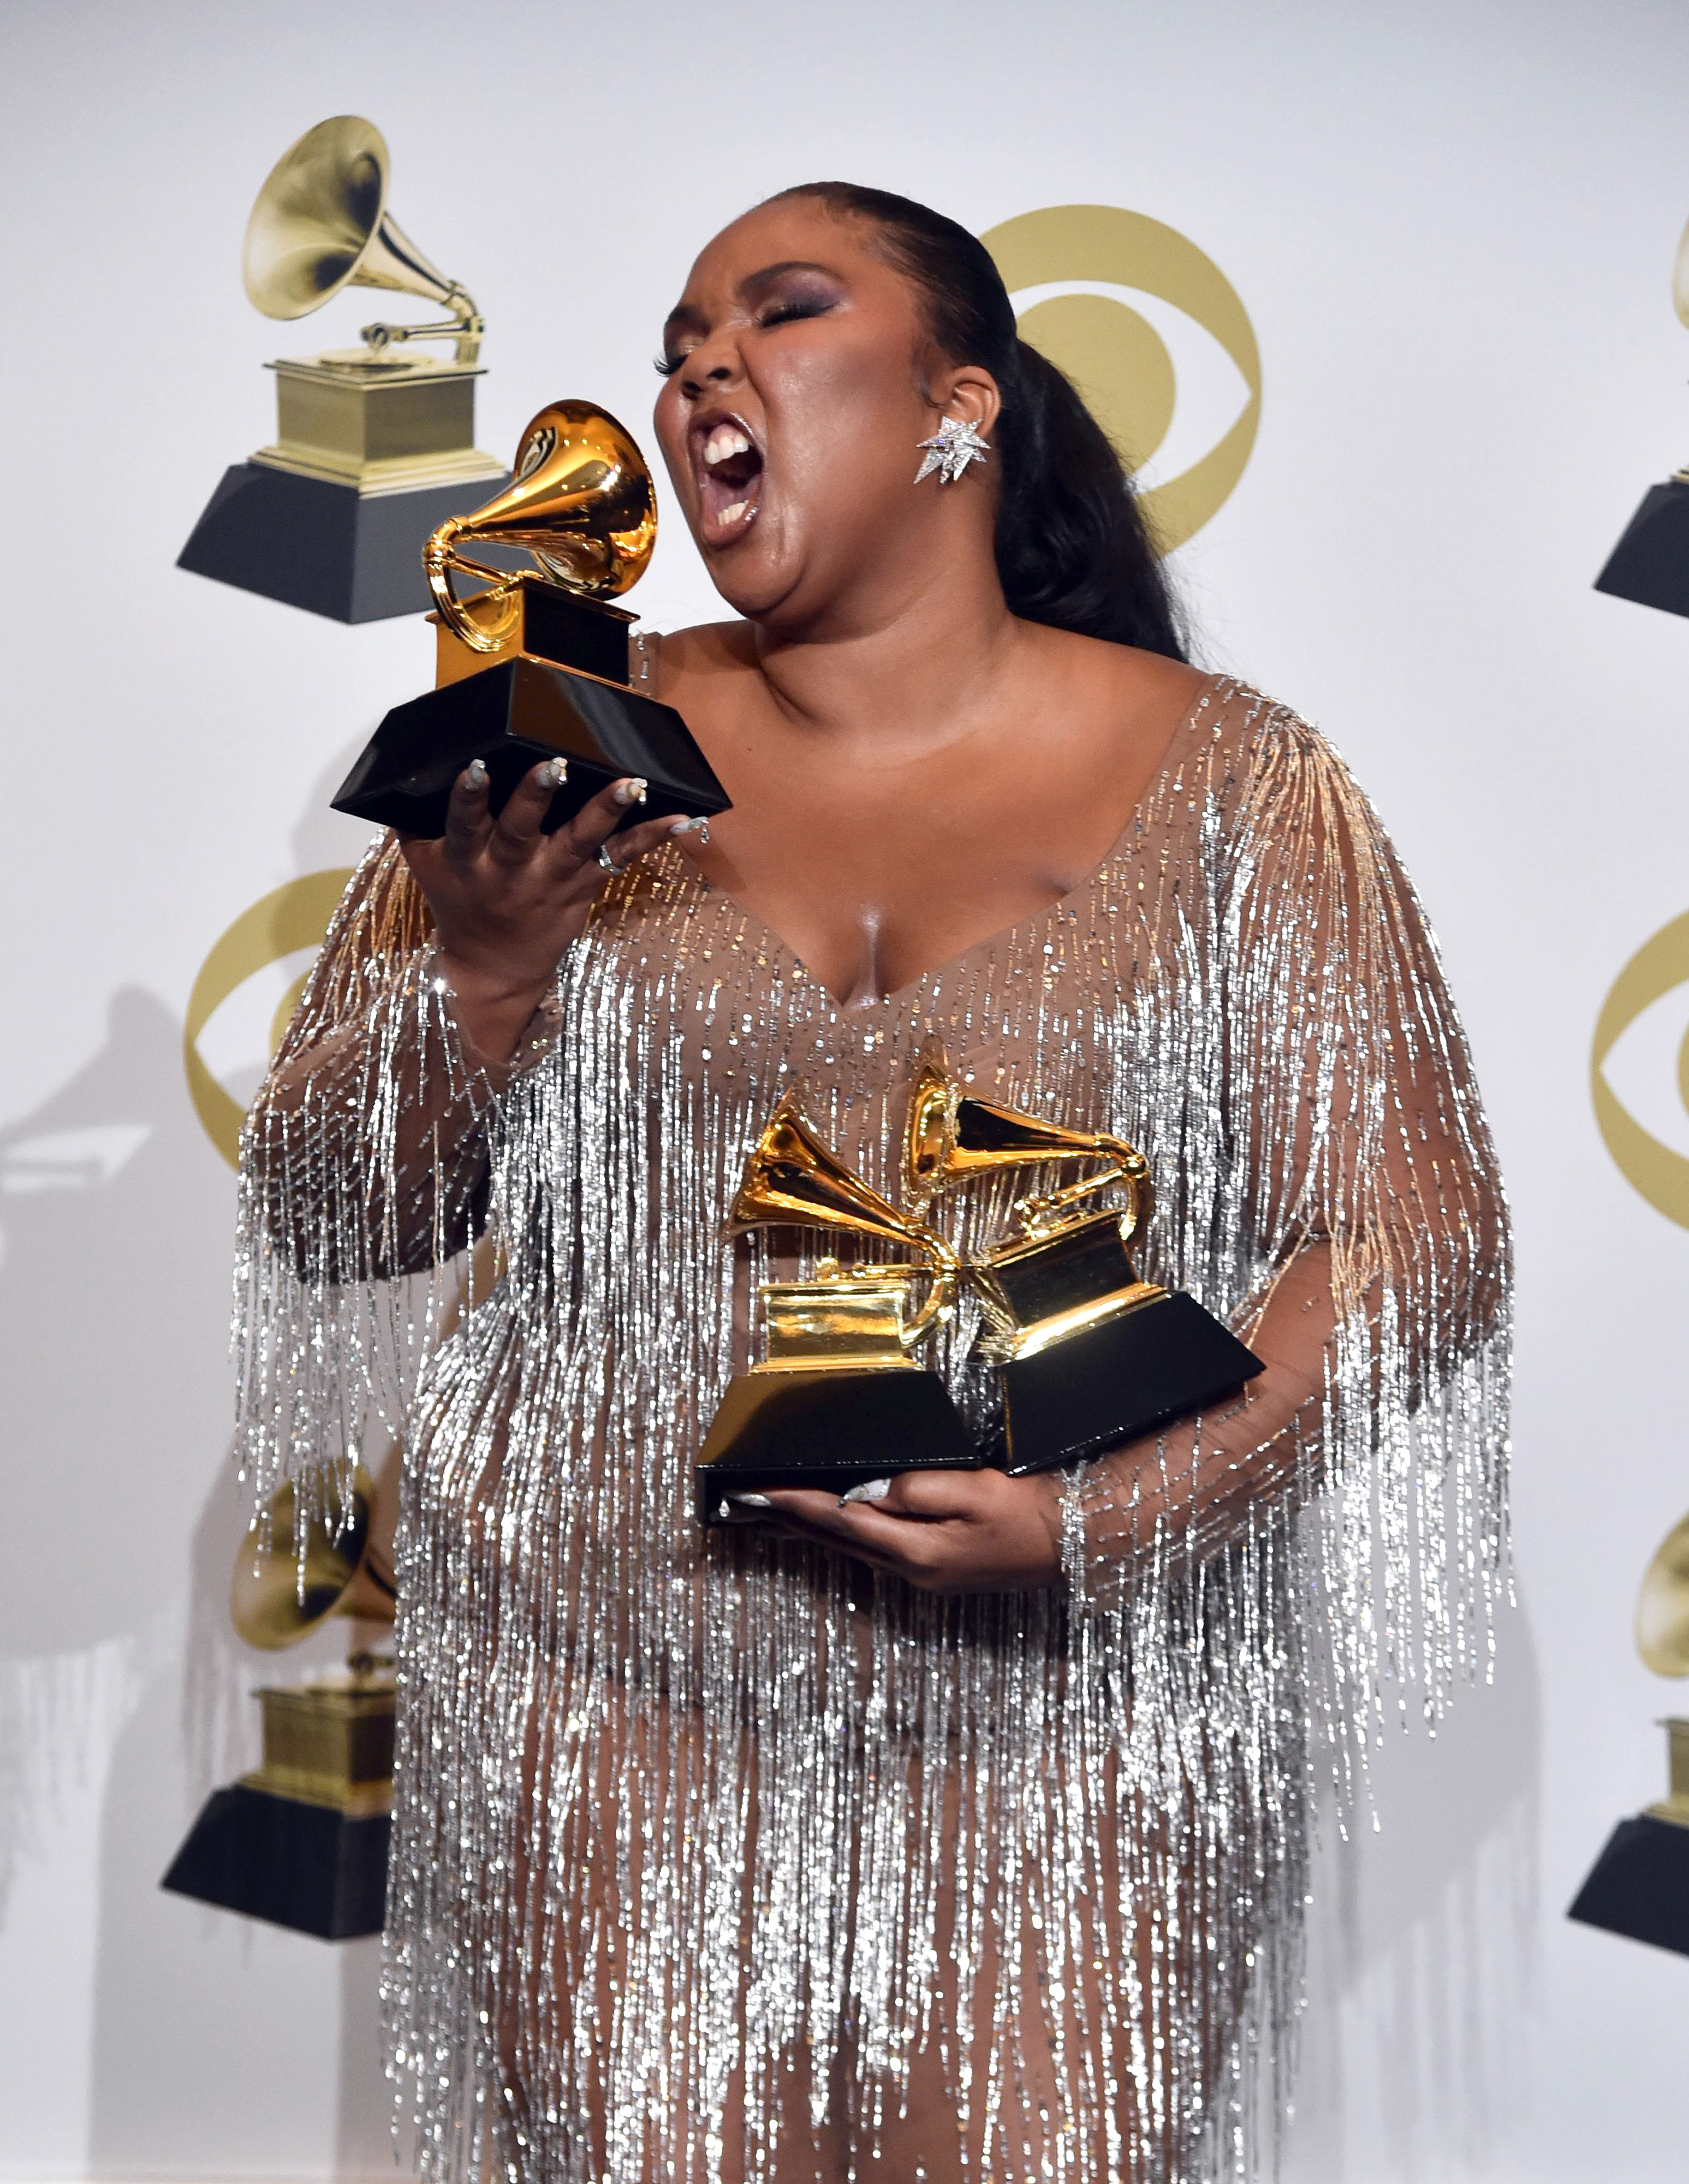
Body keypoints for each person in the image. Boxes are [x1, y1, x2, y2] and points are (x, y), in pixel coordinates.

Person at [236, 182, 1510, 2184]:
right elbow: (325, 1211)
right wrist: (479, 969)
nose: (696, 366)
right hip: (609, 1682)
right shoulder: (565, 747)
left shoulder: (1248, 784)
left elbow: (1421, 1236)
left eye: (781, 309)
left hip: (1077, 1717)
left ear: (959, 410)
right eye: (675, 340)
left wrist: (1118, 1513)